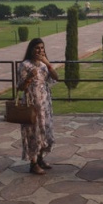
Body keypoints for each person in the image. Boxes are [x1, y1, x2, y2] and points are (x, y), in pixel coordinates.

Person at [17, 38, 59, 175]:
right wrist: (29, 77)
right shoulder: (25, 65)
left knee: (45, 131)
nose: (40, 50)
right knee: (33, 133)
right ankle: (33, 163)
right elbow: (21, 87)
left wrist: (48, 63)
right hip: (32, 103)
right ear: (31, 49)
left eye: (42, 48)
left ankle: (41, 158)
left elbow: (56, 77)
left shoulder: (43, 64)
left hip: (45, 103)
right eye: (37, 48)